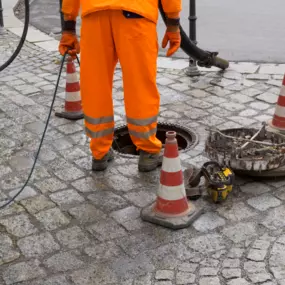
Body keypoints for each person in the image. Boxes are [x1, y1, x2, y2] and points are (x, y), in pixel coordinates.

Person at [59, 0, 182, 172]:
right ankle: (147, 150)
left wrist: (68, 27)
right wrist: (173, 23)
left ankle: (99, 152)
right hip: (135, 12)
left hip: (95, 15)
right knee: (140, 83)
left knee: (95, 84)